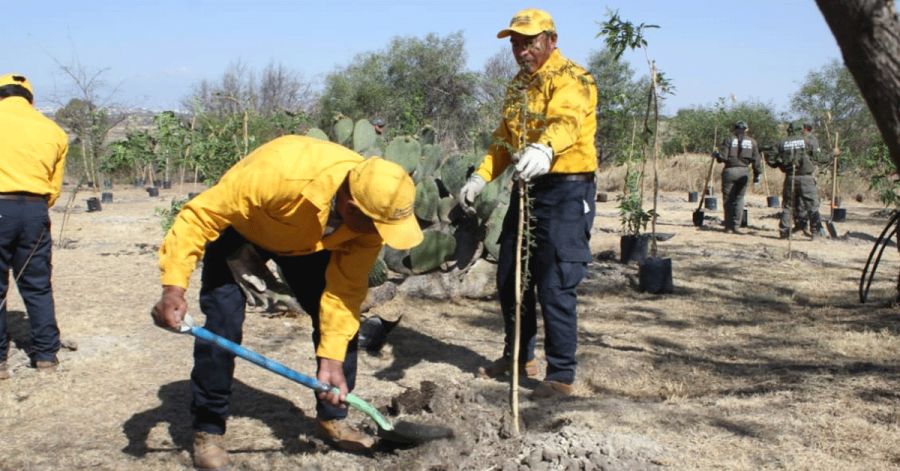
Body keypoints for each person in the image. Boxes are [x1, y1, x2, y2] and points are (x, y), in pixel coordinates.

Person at [151, 135, 423, 469]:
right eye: (378, 225)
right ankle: (208, 430)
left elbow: (345, 292)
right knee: (223, 325)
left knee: (341, 327)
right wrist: (173, 289)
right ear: (351, 205)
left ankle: (333, 417)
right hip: (244, 229)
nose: (380, 234)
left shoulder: (366, 226)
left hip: (309, 244)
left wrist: (332, 359)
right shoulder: (280, 174)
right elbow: (198, 218)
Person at [458, 8, 597, 399]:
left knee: (555, 282)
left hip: (566, 190)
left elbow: (567, 121)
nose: (522, 51)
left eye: (529, 43)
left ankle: (561, 376)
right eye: (516, 44)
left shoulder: (574, 78)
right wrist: (480, 176)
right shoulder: (518, 85)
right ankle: (519, 357)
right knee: (511, 279)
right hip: (527, 188)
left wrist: (546, 149)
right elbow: (504, 138)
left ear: (551, 40)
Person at [0, 73, 69, 379]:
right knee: (37, 285)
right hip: (35, 211)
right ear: (31, 100)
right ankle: (45, 355)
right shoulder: (52, 130)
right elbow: (54, 186)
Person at [767, 121, 825, 239]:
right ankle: (815, 232)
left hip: (790, 178)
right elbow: (820, 158)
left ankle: (784, 232)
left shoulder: (781, 142)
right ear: (801, 129)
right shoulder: (808, 141)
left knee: (788, 206)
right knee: (812, 206)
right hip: (806, 178)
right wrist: (833, 154)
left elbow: (771, 159)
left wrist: (782, 166)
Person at [712, 120, 762, 234]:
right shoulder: (752, 142)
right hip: (744, 172)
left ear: (734, 129)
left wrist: (716, 156)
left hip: (730, 171)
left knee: (728, 199)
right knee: (739, 199)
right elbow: (757, 161)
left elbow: (723, 157)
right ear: (746, 130)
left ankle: (728, 227)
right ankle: (736, 225)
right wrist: (757, 174)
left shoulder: (729, 139)